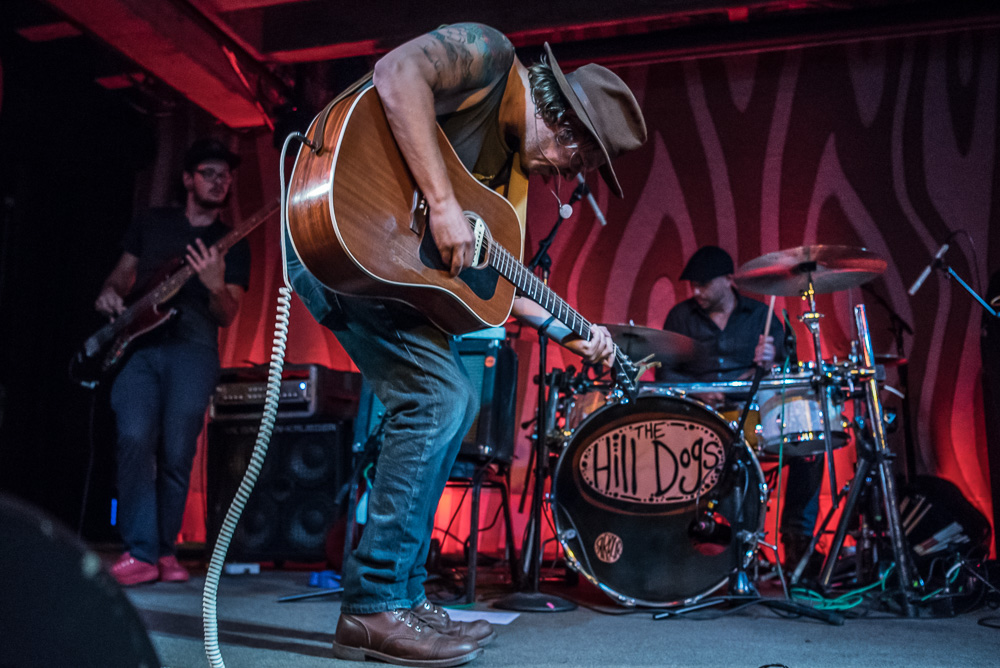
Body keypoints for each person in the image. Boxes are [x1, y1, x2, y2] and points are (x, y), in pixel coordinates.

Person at [285, 23, 646, 667]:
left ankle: (401, 596)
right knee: (437, 398)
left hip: (383, 263)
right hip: (337, 226)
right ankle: (371, 608)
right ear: (563, 125)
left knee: (448, 400)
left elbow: (499, 287)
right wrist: (443, 204)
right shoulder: (489, 56)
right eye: (577, 162)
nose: (568, 176)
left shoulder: (510, 184)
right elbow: (397, 72)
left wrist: (580, 335)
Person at [95, 138, 251, 586]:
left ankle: (163, 551)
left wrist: (215, 283)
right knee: (133, 438)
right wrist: (110, 289)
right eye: (210, 173)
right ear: (187, 179)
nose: (219, 181)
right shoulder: (153, 223)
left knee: (178, 452)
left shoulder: (232, 244)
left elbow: (227, 313)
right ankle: (141, 551)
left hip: (194, 350)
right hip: (138, 348)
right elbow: (124, 272)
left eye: (226, 176)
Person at [655, 245, 824, 571]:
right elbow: (664, 372)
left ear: (729, 280)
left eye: (704, 283)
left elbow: (789, 367)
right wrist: (700, 395)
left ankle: (796, 541)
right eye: (693, 284)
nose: (697, 291)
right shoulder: (681, 316)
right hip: (698, 418)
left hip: (751, 415)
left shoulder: (760, 316)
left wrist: (772, 361)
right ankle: (710, 544)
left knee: (810, 447)